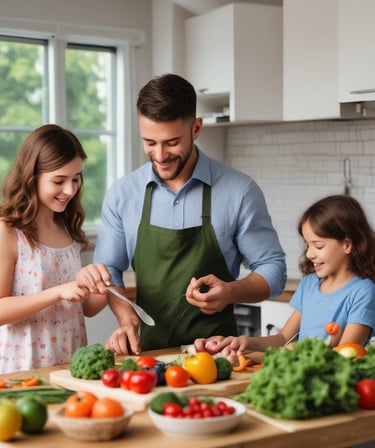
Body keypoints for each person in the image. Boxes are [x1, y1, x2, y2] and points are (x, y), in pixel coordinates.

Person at [78, 73, 286, 355]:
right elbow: (109, 270)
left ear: (196, 128)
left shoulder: (240, 191)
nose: (160, 155)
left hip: (219, 358)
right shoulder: (123, 193)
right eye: (150, 142)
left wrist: (231, 292)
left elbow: (273, 269)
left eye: (172, 142)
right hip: (148, 357)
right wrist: (127, 320)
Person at [196, 194, 375, 358]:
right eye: (307, 245)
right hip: (303, 373)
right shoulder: (310, 284)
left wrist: (294, 351)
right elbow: (283, 338)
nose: (309, 254)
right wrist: (245, 342)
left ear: (347, 245)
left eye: (318, 246)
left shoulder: (363, 291)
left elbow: (346, 354)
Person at [0, 124, 107, 373]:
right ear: (32, 177)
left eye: (76, 179)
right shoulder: (8, 230)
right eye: (59, 181)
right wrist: (57, 293)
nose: (70, 190)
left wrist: (105, 279)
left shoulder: (66, 226)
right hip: (22, 370)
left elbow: (88, 309)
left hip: (69, 366)